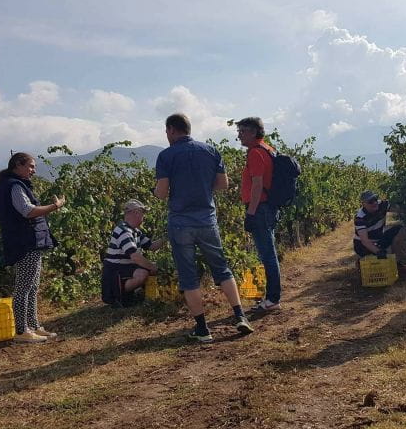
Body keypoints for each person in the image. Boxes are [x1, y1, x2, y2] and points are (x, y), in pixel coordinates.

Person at [154, 113, 253, 341]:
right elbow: (223, 184)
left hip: (181, 223)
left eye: (166, 131)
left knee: (189, 277)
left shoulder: (166, 156)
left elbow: (161, 192)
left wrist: (158, 191)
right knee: (222, 269)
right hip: (207, 220)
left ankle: (202, 329)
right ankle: (240, 316)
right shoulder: (210, 151)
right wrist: (202, 188)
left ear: (171, 130)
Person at [0, 152, 66, 342]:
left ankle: (34, 326)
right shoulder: (14, 186)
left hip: (30, 241)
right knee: (24, 288)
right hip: (24, 243)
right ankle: (22, 331)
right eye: (31, 166)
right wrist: (54, 206)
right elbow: (27, 211)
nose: (33, 170)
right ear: (18, 165)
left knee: (32, 286)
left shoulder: (14, 184)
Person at [236, 116, 282, 311]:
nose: (239, 136)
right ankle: (271, 297)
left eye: (242, 131)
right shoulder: (267, 149)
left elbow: (257, 184)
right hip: (268, 207)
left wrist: (251, 213)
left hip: (260, 208)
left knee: (267, 255)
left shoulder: (255, 153)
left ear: (254, 132)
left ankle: (272, 299)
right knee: (269, 252)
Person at [101, 199, 163, 307]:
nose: (144, 216)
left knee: (149, 268)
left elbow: (151, 246)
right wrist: (152, 267)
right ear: (136, 212)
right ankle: (118, 296)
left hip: (124, 268)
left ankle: (135, 294)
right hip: (114, 272)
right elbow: (135, 257)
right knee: (143, 273)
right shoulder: (124, 231)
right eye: (143, 213)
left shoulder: (135, 231)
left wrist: (167, 238)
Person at [353, 190, 404, 258]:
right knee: (376, 260)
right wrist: (378, 252)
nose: (374, 203)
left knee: (399, 228)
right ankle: (362, 259)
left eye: (375, 199)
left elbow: (398, 209)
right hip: (362, 246)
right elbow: (365, 241)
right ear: (363, 204)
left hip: (379, 240)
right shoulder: (360, 217)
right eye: (370, 202)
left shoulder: (382, 205)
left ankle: (396, 259)